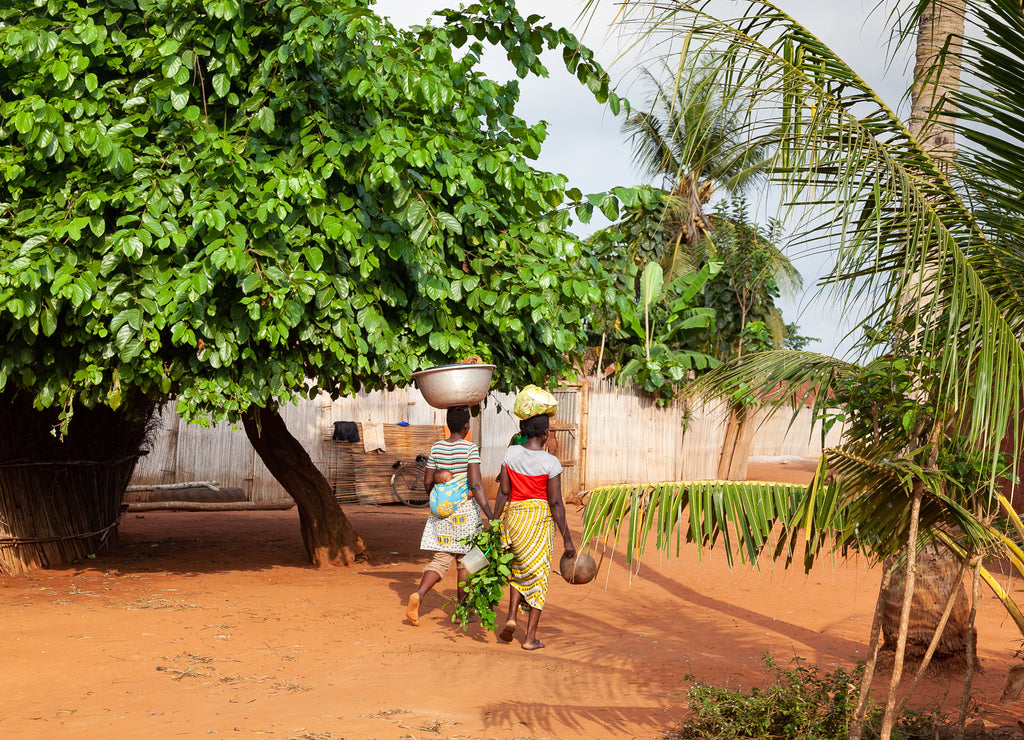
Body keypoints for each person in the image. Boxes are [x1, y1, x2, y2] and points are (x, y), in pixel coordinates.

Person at [493, 413, 575, 650]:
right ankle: (529, 637)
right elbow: (556, 502)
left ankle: (511, 616)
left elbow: (504, 491)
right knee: (538, 577)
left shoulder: (510, 454)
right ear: (545, 434)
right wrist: (567, 539)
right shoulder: (551, 462)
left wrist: (495, 521)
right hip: (538, 521)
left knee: (518, 567)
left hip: (515, 519)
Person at [406, 406, 493, 626]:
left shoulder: (436, 448)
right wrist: (490, 515)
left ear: (447, 425)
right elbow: (475, 484)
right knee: (465, 562)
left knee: (441, 558)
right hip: (465, 513)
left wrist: (438, 501)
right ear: (466, 427)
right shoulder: (470, 448)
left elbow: (428, 482)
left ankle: (420, 593)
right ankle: (463, 612)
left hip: (442, 514)